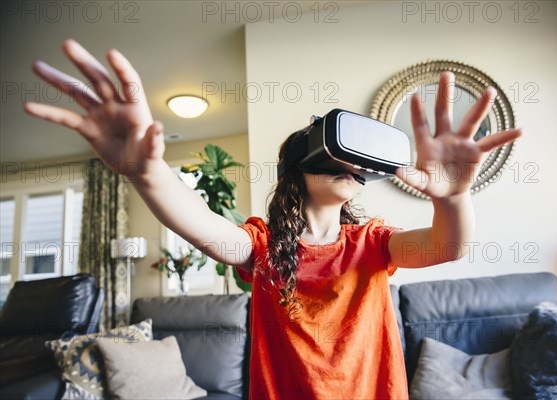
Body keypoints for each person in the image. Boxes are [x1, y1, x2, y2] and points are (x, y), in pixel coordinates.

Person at [24, 39, 522, 400]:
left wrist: (453, 199)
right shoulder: (260, 245)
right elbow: (206, 227)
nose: (350, 168)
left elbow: (446, 247)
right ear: (300, 170)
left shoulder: (372, 242)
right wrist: (146, 171)